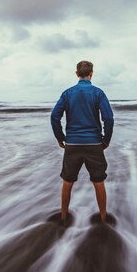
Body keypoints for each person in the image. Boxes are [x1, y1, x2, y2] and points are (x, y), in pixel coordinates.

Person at [51, 60, 114, 223]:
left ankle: (64, 217)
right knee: (98, 181)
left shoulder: (67, 93)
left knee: (67, 180)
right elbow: (108, 118)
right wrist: (106, 140)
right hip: (94, 143)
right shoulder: (98, 93)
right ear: (91, 74)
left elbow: (54, 116)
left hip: (72, 144)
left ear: (77, 74)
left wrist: (61, 138)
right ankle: (103, 217)